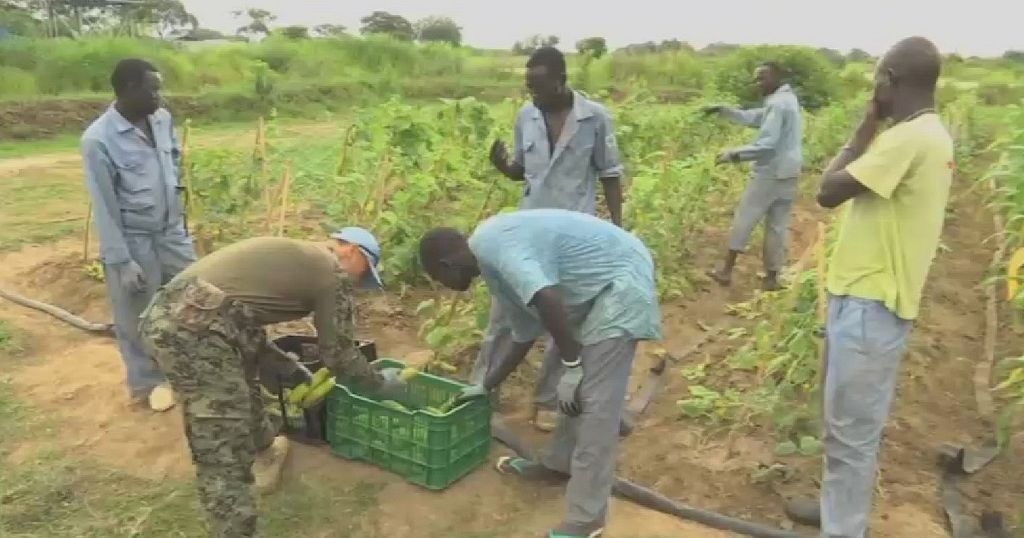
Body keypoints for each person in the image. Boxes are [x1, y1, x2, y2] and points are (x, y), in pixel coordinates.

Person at [786, 37, 953, 538]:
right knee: (846, 427)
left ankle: (844, 527)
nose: (872, 89)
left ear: (890, 81)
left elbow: (827, 191)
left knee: (852, 434)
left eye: (876, 79)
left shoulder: (906, 139)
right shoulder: (928, 134)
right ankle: (839, 508)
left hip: (871, 305)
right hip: (869, 300)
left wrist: (865, 124)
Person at [138, 229, 408, 538]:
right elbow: (339, 354)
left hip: (174, 315)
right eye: (365, 274)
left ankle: (265, 451)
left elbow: (234, 311)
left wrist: (279, 363)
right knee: (224, 440)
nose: (360, 284)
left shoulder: (301, 253)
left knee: (244, 380)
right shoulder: (333, 273)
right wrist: (379, 384)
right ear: (354, 251)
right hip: (193, 332)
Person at [418, 209, 662, 538]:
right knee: (575, 390)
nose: (446, 288)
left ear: (446, 266)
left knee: (595, 406)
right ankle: (559, 462)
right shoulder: (491, 266)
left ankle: (588, 518)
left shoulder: (493, 245)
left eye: (439, 280)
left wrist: (574, 365)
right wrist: (486, 385)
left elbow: (546, 296)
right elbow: (524, 332)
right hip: (594, 289)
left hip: (621, 282)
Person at [479, 46, 626, 432]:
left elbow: (610, 173)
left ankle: (547, 399)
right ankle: (483, 388)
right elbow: (521, 172)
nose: (533, 96)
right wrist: (503, 166)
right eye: (528, 87)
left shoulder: (595, 118)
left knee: (565, 319)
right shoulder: (526, 116)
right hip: (526, 233)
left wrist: (616, 227)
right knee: (505, 315)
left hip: (571, 237)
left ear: (561, 81)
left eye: (539, 87)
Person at [81, 58, 197, 411]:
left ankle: (189, 370)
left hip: (171, 233)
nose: (159, 97)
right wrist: (121, 259)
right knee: (136, 314)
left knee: (197, 293)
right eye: (152, 89)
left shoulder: (161, 120)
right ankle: (147, 384)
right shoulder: (98, 140)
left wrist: (181, 223)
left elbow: (172, 170)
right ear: (129, 90)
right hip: (134, 239)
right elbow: (104, 205)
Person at [704, 61, 804, 291]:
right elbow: (756, 118)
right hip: (790, 171)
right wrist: (724, 110)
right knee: (777, 225)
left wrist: (732, 154)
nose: (758, 83)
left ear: (776, 78)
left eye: (762, 78)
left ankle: (726, 271)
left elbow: (767, 144)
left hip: (771, 171)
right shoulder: (787, 100)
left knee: (746, 217)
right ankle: (771, 278)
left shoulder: (778, 104)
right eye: (756, 79)